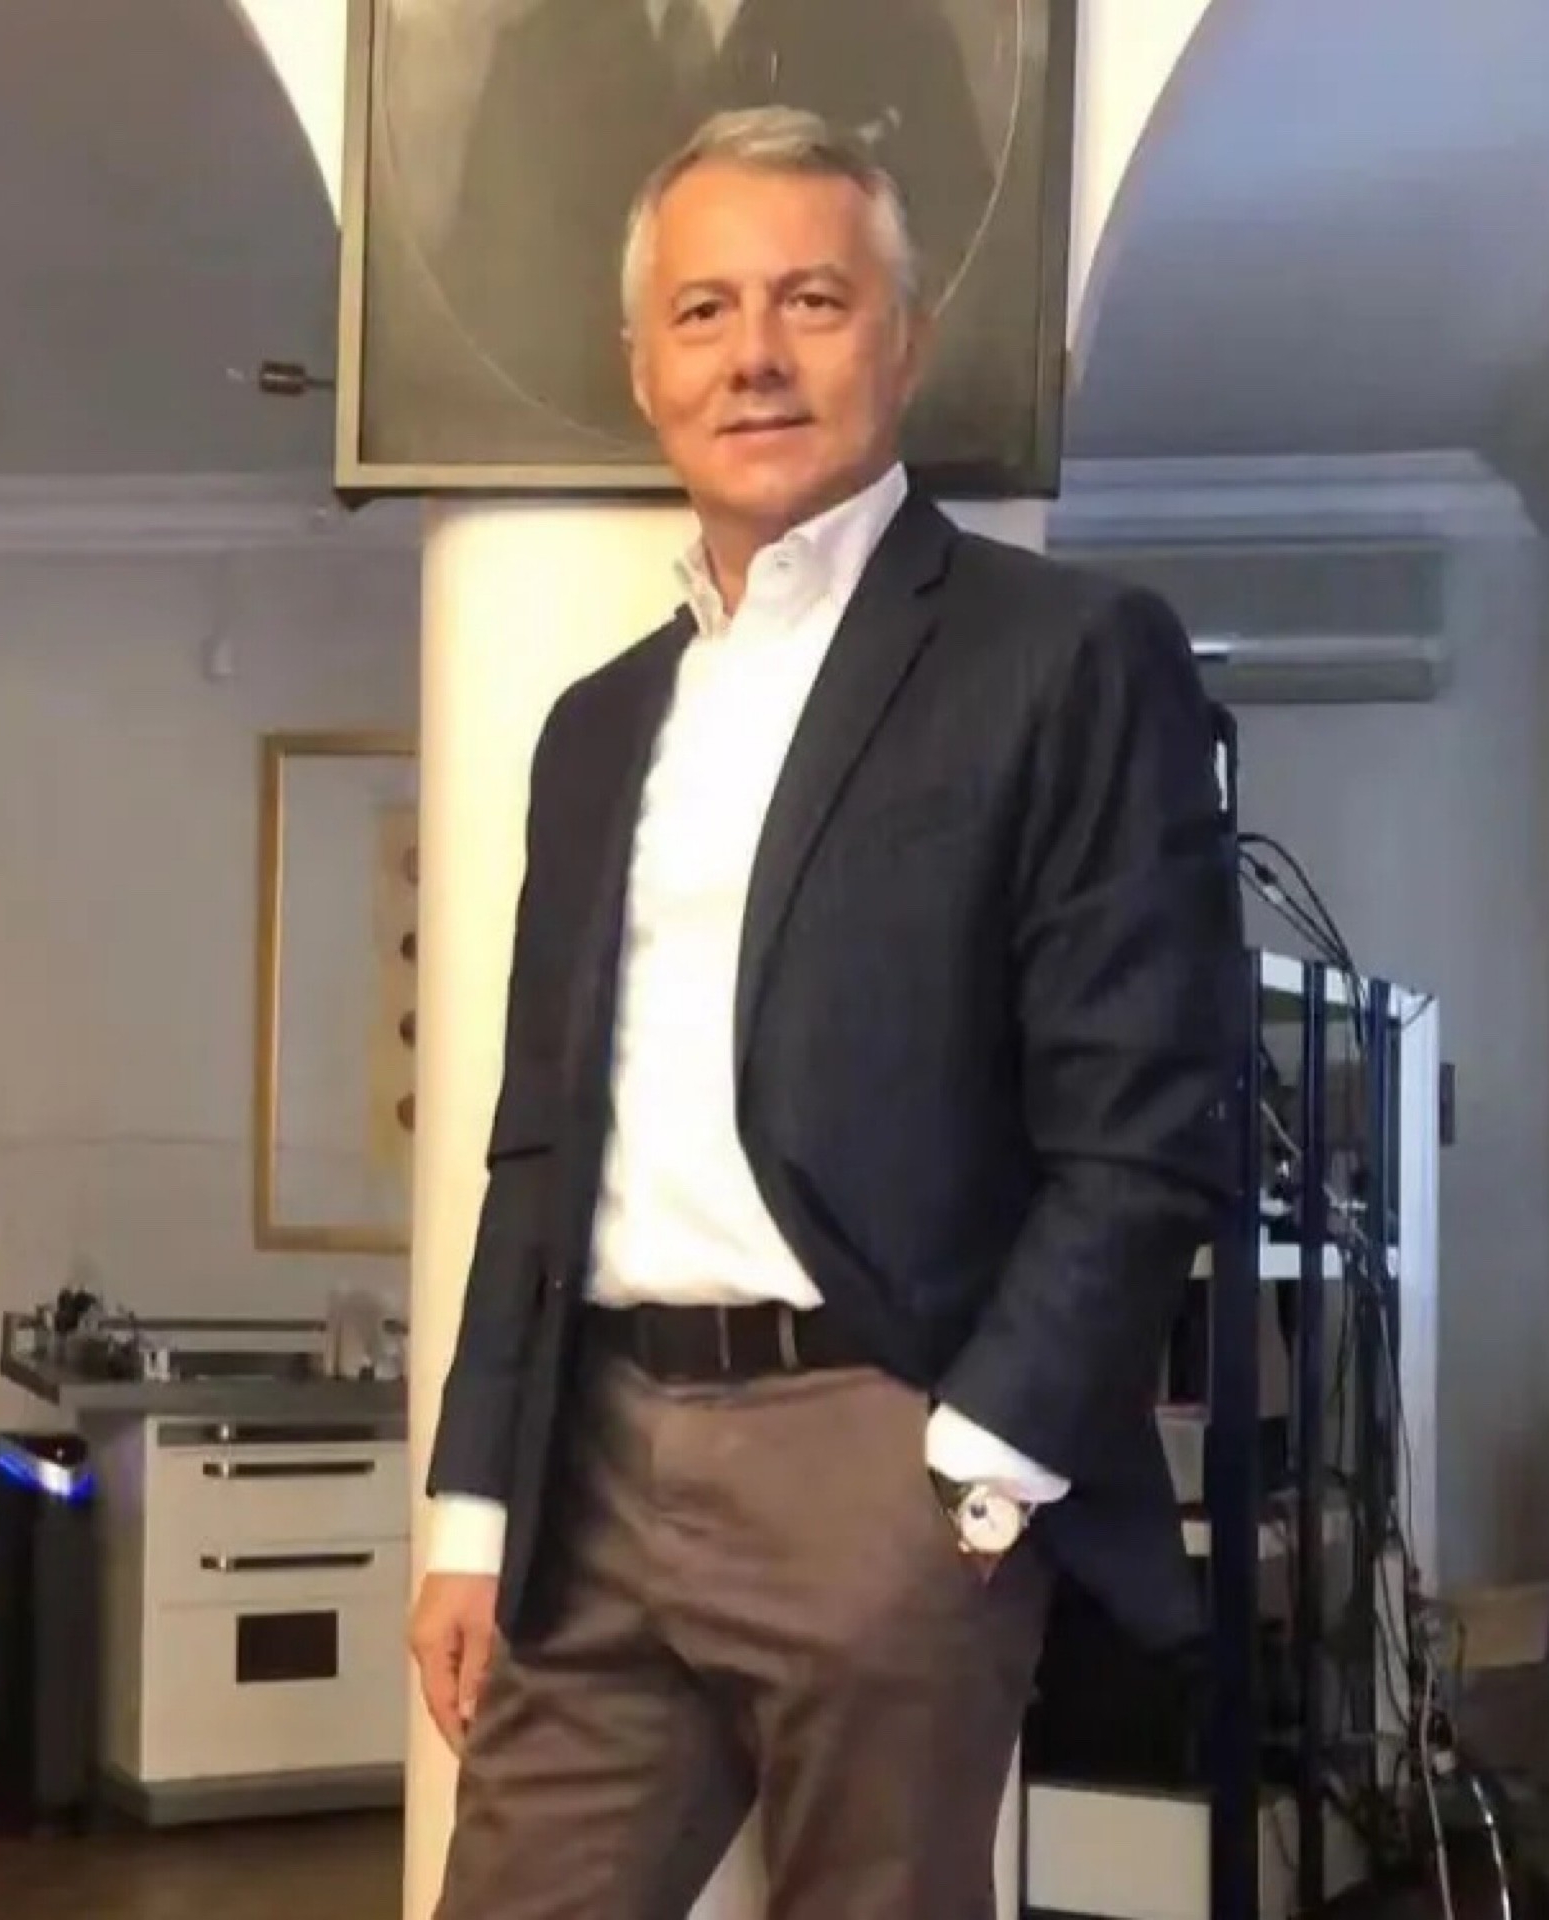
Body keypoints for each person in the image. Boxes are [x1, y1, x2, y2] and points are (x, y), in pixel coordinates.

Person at [410, 105, 1245, 1920]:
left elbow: (1151, 1119)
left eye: (812, 299)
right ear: (643, 364)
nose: (757, 354)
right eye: (703, 311)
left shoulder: (1066, 657)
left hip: (881, 1453)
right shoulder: (593, 728)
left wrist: (976, 1465)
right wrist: (474, 1506)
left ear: (905, 340)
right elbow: (538, 1148)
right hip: (593, 1460)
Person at [409, 0, 996, 451]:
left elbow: (974, 267)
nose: (754, 358)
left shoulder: (899, 37)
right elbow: (483, 284)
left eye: (813, 302)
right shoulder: (535, 52)